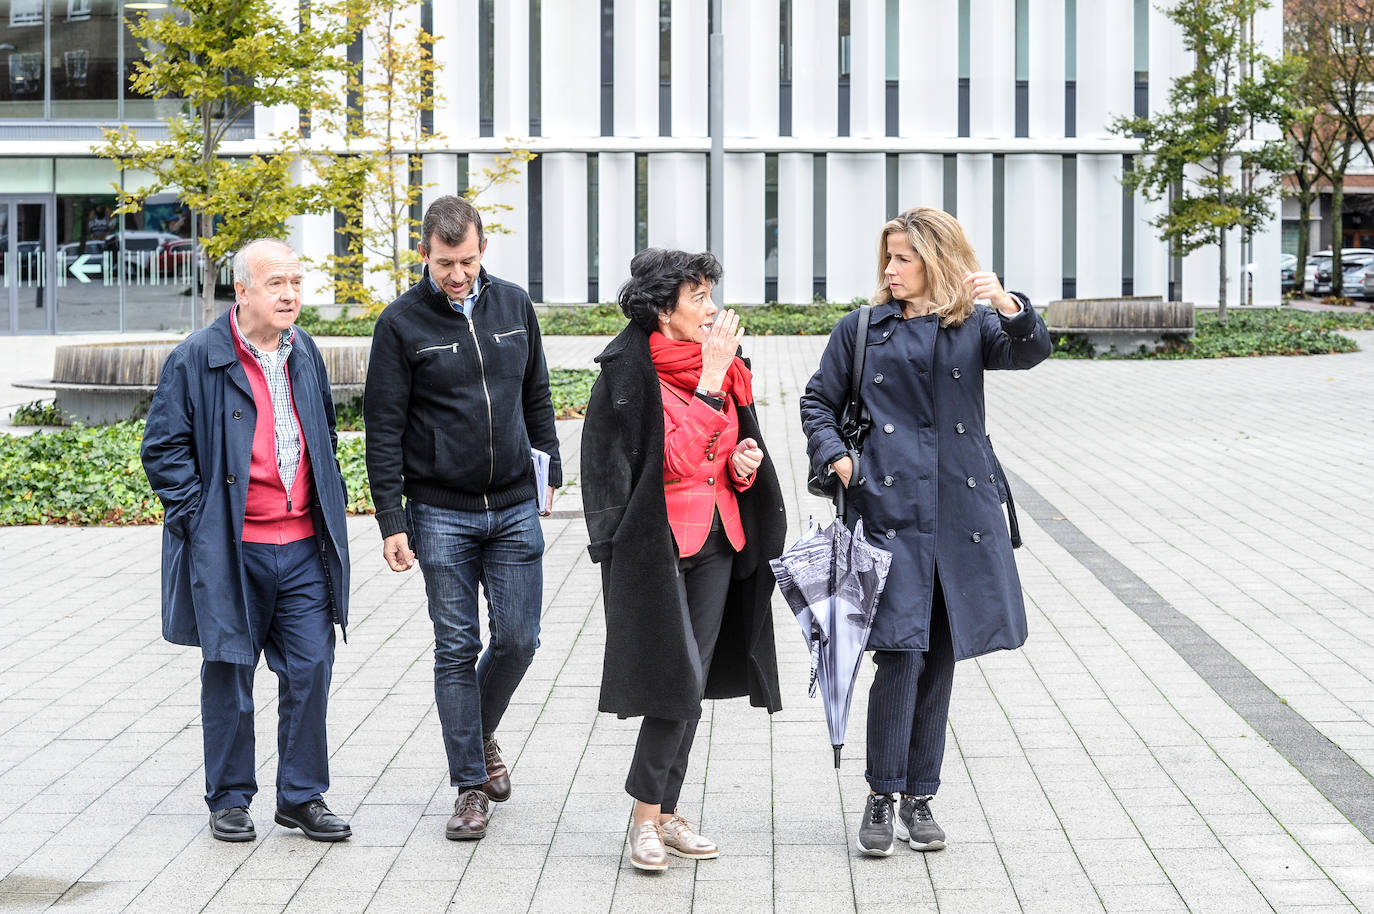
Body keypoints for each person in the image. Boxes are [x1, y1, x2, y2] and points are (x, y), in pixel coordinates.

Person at [800, 206, 1051, 857]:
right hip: (887, 514)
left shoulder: (973, 325)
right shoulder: (861, 329)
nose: (890, 269)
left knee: (940, 655)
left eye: (903, 257)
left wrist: (1009, 302)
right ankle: (882, 794)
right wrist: (838, 456)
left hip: (961, 516)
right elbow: (817, 401)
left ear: (935, 260)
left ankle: (921, 796)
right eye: (888, 257)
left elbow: (1028, 353)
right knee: (900, 655)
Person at [363, 195, 561, 841]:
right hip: (439, 513)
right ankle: (470, 786)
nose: (458, 275)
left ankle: (479, 734)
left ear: (482, 250)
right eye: (447, 263)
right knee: (457, 647)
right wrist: (392, 519)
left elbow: (536, 392)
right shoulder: (399, 324)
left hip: (512, 505)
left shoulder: (512, 306)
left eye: (469, 261)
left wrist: (550, 467)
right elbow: (383, 428)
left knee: (520, 639)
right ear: (426, 252)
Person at [141, 238, 353, 844]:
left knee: (312, 668)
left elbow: (325, 435)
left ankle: (302, 796)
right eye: (275, 283)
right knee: (229, 672)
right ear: (242, 291)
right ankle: (230, 798)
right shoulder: (197, 357)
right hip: (233, 547)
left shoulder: (304, 352)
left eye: (296, 281)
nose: (289, 294)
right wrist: (201, 518)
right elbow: (162, 450)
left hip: (305, 545)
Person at [581, 249, 786, 872]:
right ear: (663, 309)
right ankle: (647, 817)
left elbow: (721, 448)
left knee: (691, 679)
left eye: (709, 294)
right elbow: (667, 461)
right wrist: (711, 382)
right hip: (658, 546)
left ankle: (664, 815)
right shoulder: (629, 373)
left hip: (720, 539)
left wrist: (741, 464)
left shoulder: (719, 367)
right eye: (698, 297)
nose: (712, 308)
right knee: (676, 678)